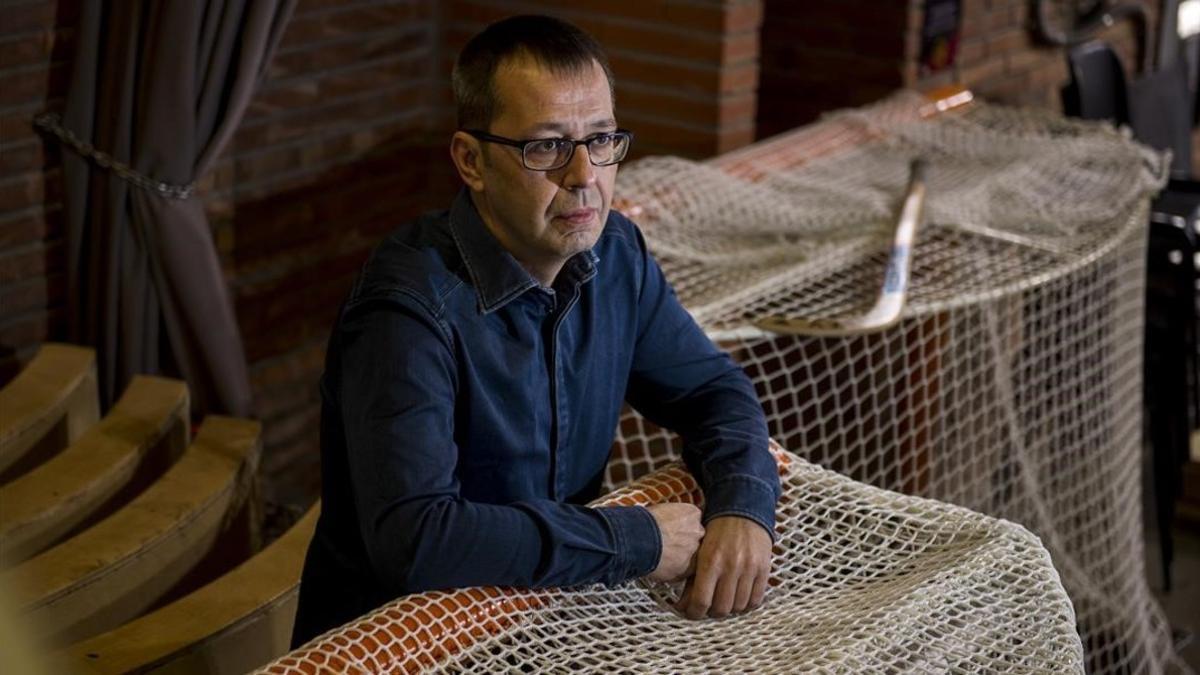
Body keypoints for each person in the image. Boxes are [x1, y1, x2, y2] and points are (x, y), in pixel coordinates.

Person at [291, 14, 781, 647]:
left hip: (544, 625)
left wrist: (743, 505)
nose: (585, 176)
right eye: (546, 146)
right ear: (471, 161)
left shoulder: (618, 255)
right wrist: (634, 539)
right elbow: (416, 539)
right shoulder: (404, 311)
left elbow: (712, 391)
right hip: (397, 646)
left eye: (602, 139)